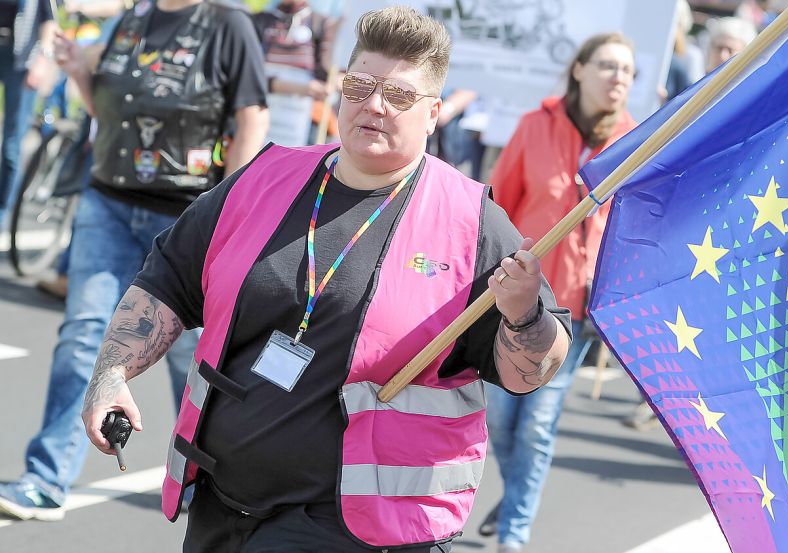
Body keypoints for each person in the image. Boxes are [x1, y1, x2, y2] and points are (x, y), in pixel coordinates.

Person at [77, 6, 571, 551]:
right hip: (222, 506)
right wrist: (111, 375)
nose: (374, 104)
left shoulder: (470, 220)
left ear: (434, 114)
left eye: (399, 95)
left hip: (358, 528)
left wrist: (525, 314)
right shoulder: (265, 177)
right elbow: (167, 280)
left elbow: (531, 373)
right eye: (359, 84)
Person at [0, 0, 269, 521]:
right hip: (109, 203)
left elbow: (251, 115)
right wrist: (80, 72)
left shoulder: (228, 24)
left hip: (187, 215)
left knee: (190, 355)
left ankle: (206, 477)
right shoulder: (133, 21)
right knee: (85, 335)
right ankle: (47, 478)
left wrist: (232, 208)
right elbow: (109, 112)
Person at [483, 33, 637, 553]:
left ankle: (513, 535)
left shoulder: (636, 140)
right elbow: (498, 209)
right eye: (608, 65)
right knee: (502, 422)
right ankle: (515, 495)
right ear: (579, 70)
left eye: (627, 71)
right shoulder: (535, 126)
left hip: (579, 311)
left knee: (537, 426)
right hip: (520, 301)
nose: (619, 77)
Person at [0, 0, 57, 228]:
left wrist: (42, 59)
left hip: (22, 59)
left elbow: (49, 20)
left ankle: (3, 212)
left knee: (12, 145)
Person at [253, 0, 341, 146]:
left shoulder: (320, 23)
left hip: (302, 123)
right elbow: (249, 77)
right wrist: (300, 88)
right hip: (260, 116)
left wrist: (336, 82)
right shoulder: (260, 21)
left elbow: (328, 72)